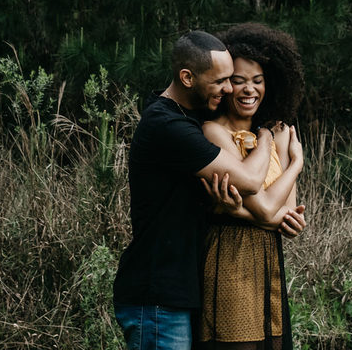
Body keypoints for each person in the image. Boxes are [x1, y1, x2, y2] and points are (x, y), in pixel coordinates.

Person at [113, 30, 306, 350]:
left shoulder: (184, 119)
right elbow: (250, 183)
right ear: (187, 77)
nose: (231, 88)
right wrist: (271, 140)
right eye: (222, 81)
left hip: (181, 288)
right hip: (158, 292)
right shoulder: (170, 126)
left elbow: (277, 210)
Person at [199, 22, 306, 350]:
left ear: (269, 85)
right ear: (225, 85)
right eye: (239, 81)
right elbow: (265, 207)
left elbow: (286, 210)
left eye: (257, 81)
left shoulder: (279, 131)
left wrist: (250, 210)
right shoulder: (215, 132)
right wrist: (296, 163)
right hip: (230, 257)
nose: (249, 89)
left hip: (269, 259)